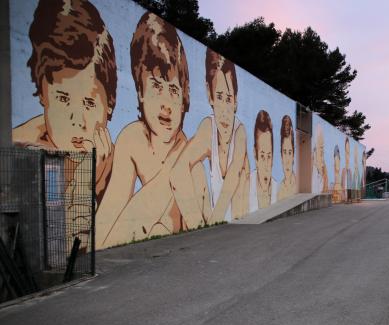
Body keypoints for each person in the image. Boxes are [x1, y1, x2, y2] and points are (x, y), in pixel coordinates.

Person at [96, 12, 189, 248]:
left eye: (174, 90)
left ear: (184, 98)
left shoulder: (187, 149)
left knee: (161, 227)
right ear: (139, 91)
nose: (167, 104)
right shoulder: (133, 138)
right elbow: (107, 225)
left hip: (179, 257)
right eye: (156, 86)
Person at [12, 0, 116, 204]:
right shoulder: (22, 150)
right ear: (43, 94)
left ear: (109, 104)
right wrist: (88, 179)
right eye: (63, 98)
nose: (77, 120)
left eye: (88, 103)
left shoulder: (112, 156)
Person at [170, 48, 249, 227]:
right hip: (211, 217)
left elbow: (234, 175)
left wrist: (215, 222)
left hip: (240, 219)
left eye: (229, 99)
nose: (224, 111)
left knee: (243, 172)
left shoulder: (240, 132)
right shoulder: (208, 128)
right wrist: (198, 224)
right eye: (219, 97)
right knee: (194, 168)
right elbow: (177, 173)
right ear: (209, 95)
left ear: (235, 101)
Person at [249, 111, 278, 211]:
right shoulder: (246, 186)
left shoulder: (277, 188)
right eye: (262, 156)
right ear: (254, 155)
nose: (266, 166)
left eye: (269, 157)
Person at [277, 115, 297, 201]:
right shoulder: (280, 190)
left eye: (290, 152)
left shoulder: (297, 185)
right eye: (284, 152)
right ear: (281, 156)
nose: (287, 161)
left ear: (293, 156)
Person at [312, 126, 329, 193]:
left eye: (323, 148)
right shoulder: (312, 173)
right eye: (321, 147)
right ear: (314, 150)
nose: (323, 152)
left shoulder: (324, 172)